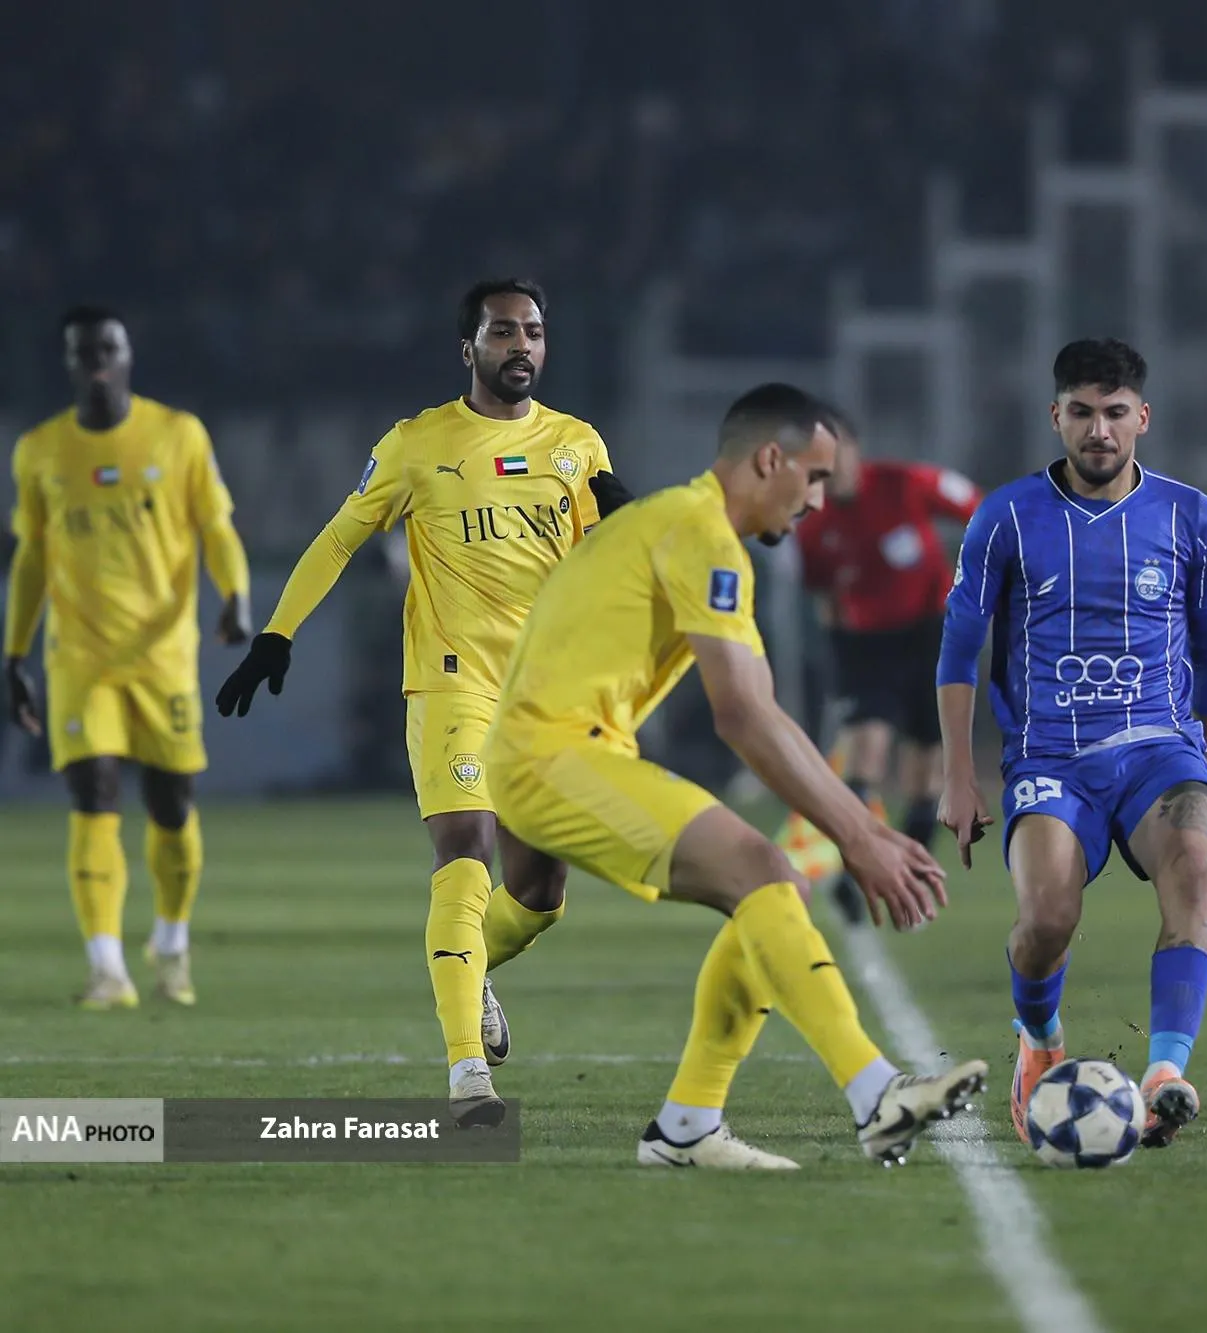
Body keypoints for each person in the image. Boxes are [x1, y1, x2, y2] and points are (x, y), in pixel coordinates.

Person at [483, 382, 986, 1170]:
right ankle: (877, 1092)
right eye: (813, 478)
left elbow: (764, 709)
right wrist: (858, 836)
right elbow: (744, 718)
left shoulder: (695, 530)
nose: (818, 500)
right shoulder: (700, 532)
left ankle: (687, 1126)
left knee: (761, 884)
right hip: (553, 752)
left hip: (557, 748)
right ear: (770, 459)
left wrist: (861, 829)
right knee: (759, 869)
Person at [213, 279, 633, 1127]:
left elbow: (606, 555)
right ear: (468, 348)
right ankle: (468, 1075)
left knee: (542, 892)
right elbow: (341, 536)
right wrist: (277, 633)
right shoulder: (417, 444)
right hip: (452, 682)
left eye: (534, 332)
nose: (522, 345)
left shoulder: (577, 445)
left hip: (544, 697)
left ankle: (468, 970)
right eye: (503, 331)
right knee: (466, 848)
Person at [938, 338, 1207, 1149]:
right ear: (1056, 416)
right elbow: (958, 648)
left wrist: (1203, 763)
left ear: (1143, 417)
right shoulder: (1006, 516)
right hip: (1050, 757)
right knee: (1045, 920)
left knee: (1192, 868)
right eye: (1081, 412)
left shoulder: (1194, 518)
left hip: (1158, 750)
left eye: (1114, 412)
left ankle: (1166, 1072)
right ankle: (1040, 1040)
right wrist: (959, 774)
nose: (1098, 430)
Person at [6, 306, 252, 1009]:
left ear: (127, 354)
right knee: (93, 794)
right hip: (79, 656)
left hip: (162, 654)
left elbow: (216, 527)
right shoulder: (40, 450)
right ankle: (106, 967)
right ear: (69, 361)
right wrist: (13, 653)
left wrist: (235, 595)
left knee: (172, 803)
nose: (97, 361)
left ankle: (170, 943)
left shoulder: (177, 435)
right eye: (83, 351)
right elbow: (31, 560)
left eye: (107, 347)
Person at [790, 406, 984, 924]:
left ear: (854, 448)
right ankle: (856, 869)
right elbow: (823, 595)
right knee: (867, 755)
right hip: (866, 647)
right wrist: (841, 657)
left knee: (925, 765)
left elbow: (980, 510)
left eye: (836, 450)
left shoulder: (903, 483)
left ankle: (912, 874)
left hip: (931, 635)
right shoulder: (814, 524)